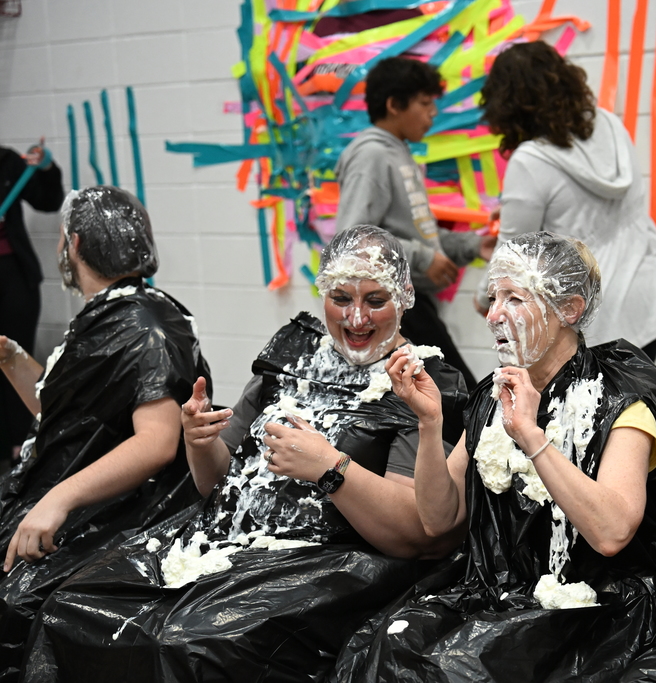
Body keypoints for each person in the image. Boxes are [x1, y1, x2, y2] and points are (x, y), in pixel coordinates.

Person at [23, 225, 469, 683]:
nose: (356, 319)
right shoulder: (292, 353)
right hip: (227, 543)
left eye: (376, 301)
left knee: (183, 645)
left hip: (325, 562)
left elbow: (416, 535)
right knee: (74, 607)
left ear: (406, 296)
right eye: (340, 299)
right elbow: (219, 484)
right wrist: (199, 444)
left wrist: (331, 470)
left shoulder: (424, 382)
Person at [333, 232, 656, 682]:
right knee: (381, 648)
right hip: (502, 592)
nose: (493, 315)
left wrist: (530, 434)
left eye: (515, 298)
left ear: (570, 309)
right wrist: (428, 424)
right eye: (492, 297)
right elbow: (439, 520)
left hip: (602, 604)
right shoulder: (494, 394)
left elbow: (611, 532)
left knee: (453, 672)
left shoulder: (619, 398)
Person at [0, 186, 209, 680]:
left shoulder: (147, 325)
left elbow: (156, 444)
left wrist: (58, 498)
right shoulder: (105, 315)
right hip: (87, 501)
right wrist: (9, 357)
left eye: (59, 241)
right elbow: (69, 417)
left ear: (72, 245)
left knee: (17, 603)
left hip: (132, 515)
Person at [475, 41, 656, 362]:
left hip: (594, 311)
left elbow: (511, 251)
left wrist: (482, 296)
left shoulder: (531, 160)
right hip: (649, 291)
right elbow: (590, 205)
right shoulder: (609, 124)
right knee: (638, 406)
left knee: (582, 409)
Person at [335, 56, 496, 386]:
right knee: (460, 394)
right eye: (424, 103)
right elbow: (351, 239)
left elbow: (420, 233)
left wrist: (474, 245)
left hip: (413, 300)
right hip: (392, 306)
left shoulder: (398, 152)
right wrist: (423, 258)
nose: (432, 112)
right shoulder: (372, 155)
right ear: (394, 104)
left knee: (452, 393)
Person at [0, 140, 64, 463]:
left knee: (15, 357)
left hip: (14, 277)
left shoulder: (7, 162)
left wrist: (47, 168)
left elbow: (49, 200)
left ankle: (20, 445)